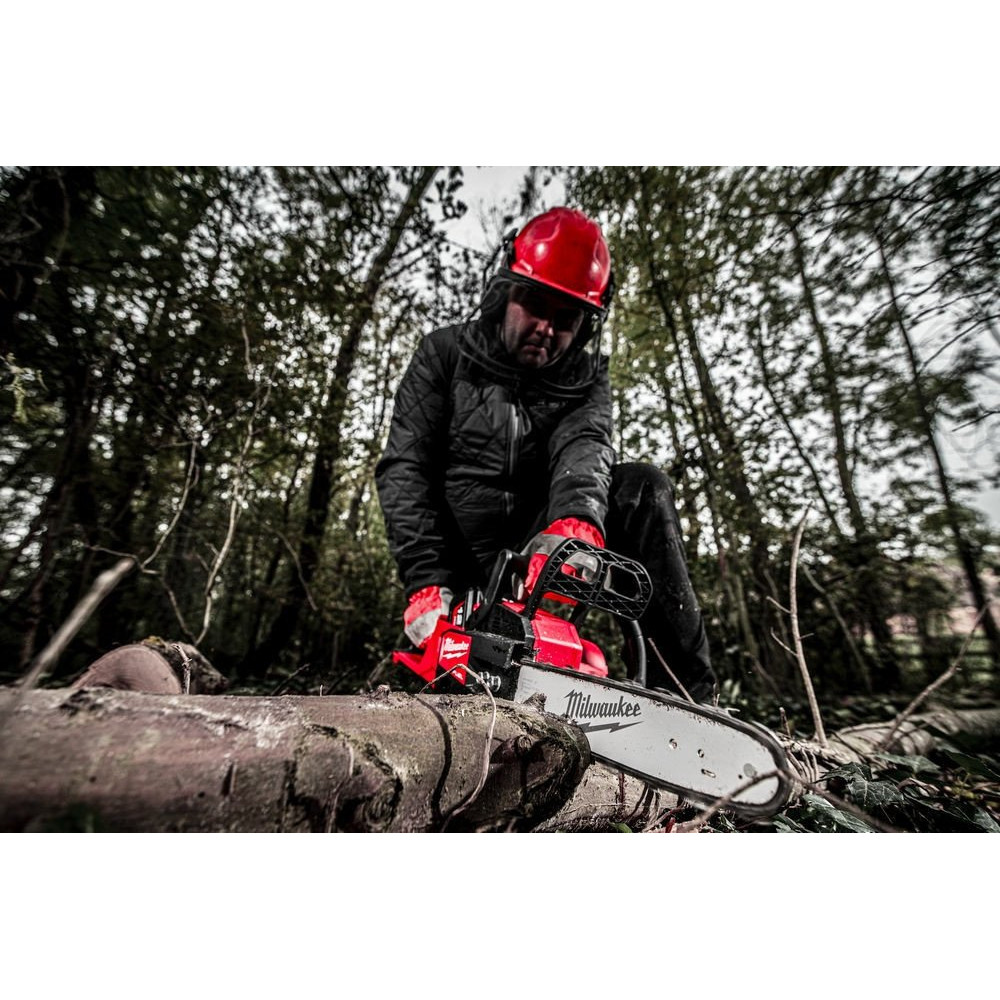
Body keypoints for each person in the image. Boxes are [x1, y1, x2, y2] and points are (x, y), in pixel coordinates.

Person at [375, 207, 716, 702]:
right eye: (535, 305)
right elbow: (405, 468)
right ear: (506, 292)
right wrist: (426, 581)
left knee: (642, 488)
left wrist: (575, 525)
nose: (545, 328)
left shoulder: (586, 378)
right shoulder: (443, 354)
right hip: (456, 563)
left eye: (565, 318)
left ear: (584, 323)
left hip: (535, 559)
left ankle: (687, 697)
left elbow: (585, 446)